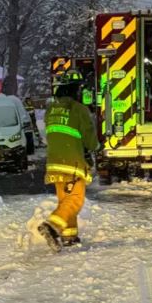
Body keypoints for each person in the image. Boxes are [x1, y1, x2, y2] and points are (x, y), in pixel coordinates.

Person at [39, 70, 100, 252]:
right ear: (76, 90)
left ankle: (69, 236)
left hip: (54, 161)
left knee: (65, 199)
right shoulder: (79, 109)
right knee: (75, 199)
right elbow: (90, 140)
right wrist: (96, 146)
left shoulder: (51, 109)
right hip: (71, 161)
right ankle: (51, 226)